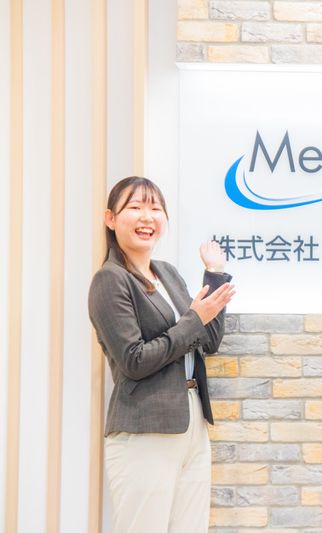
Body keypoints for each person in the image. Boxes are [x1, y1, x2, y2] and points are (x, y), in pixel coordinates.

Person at [88, 176, 235, 533]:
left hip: (192, 421)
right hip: (146, 427)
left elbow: (208, 340)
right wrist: (194, 319)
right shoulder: (111, 280)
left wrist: (215, 276)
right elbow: (134, 360)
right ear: (111, 219)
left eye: (155, 208)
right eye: (135, 207)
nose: (147, 216)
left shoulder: (167, 273)